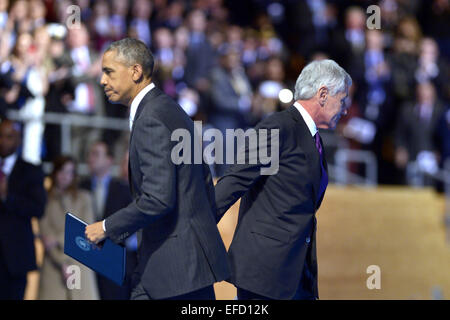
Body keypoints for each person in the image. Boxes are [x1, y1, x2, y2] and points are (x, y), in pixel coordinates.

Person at [85, 38, 230, 300]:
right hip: (184, 266)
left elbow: (157, 199)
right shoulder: (170, 109)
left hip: (174, 270)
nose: (102, 81)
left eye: (109, 72)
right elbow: (205, 180)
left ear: (135, 71)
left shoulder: (151, 118)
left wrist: (105, 227)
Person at [214, 59, 352, 300]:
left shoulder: (313, 138)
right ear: (322, 94)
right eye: (342, 99)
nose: (345, 108)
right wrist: (188, 231)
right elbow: (232, 183)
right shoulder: (277, 128)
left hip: (297, 275)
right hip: (264, 276)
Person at [80, 141, 136, 300]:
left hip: (115, 267)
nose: (91, 159)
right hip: (87, 268)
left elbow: (131, 228)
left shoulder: (123, 190)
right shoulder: (80, 187)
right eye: (90, 154)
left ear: (109, 160)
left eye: (96, 154)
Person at [38, 155, 99, 300]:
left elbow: (87, 232)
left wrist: (58, 239)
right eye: (62, 171)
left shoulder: (84, 199)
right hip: (53, 266)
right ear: (55, 173)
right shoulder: (45, 199)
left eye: (69, 172)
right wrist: (62, 262)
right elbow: (46, 237)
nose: (65, 176)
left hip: (78, 263)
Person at [0, 119, 47, 299]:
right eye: (1, 136)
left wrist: (7, 198)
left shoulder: (31, 171)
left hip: (16, 258)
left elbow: (38, 208)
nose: (3, 141)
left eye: (9, 137)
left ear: (18, 140)